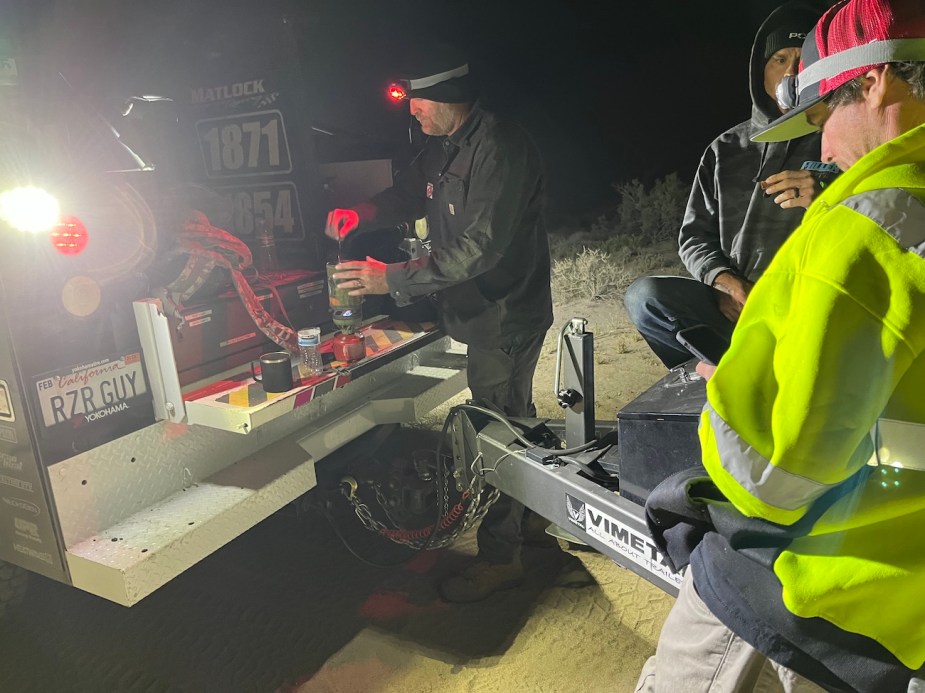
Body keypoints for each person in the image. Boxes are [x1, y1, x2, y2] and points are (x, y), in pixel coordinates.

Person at [638, 0, 925, 690]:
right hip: (904, 587)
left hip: (822, 578)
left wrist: (728, 395)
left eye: (824, 116)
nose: (820, 147)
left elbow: (769, 475)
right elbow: (901, 428)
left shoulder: (870, 228)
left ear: (878, 81)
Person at [324, 45, 555, 603]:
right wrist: (366, 212)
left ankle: (502, 559)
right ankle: (530, 521)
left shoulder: (500, 147)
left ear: (449, 99)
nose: (413, 113)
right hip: (479, 312)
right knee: (514, 421)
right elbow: (408, 194)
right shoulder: (443, 146)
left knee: (494, 436)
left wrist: (391, 280)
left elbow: (481, 248)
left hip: (505, 313)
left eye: (420, 102)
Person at [624, 1, 835, 368]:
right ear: (760, 71)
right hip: (740, 304)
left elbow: (881, 215)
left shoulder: (839, 136)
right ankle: (713, 376)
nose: (792, 71)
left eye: (803, 59)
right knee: (646, 296)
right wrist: (723, 282)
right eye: (779, 59)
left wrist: (828, 196)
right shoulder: (725, 149)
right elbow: (694, 238)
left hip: (812, 301)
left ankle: (756, 377)